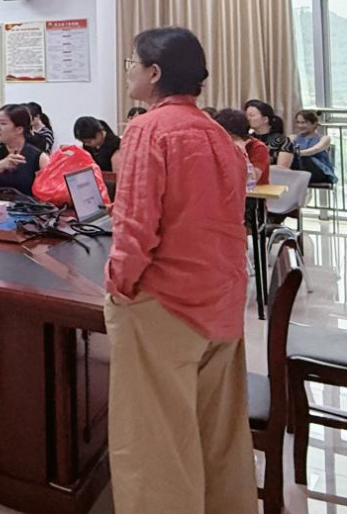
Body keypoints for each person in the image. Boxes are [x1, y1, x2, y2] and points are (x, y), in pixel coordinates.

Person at [106, 27, 257, 514]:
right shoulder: (217, 133)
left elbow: (135, 226)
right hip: (222, 300)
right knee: (218, 434)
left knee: (156, 444)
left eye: (132, 62)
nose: (127, 71)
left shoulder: (149, 129)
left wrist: (119, 287)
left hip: (165, 302)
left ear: (154, 73)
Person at [0, 104, 49, 195]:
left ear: (19, 129)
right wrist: (1, 165)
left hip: (26, 203)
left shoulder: (39, 157)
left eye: (3, 123)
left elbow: (51, 188)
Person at [215, 108, 270, 185]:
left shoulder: (258, 147)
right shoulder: (217, 144)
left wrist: (243, 153)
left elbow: (252, 180)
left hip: (255, 191)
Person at [244, 99, 296, 169]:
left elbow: (282, 168)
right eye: (246, 115)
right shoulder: (246, 139)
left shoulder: (283, 141)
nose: (248, 118)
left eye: (251, 115)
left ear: (265, 119)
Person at [295, 109, 337, 184]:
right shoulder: (293, 137)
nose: (300, 125)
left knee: (304, 158)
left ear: (314, 124)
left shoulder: (324, 138)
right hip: (300, 171)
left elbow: (314, 150)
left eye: (303, 122)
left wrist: (294, 153)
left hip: (320, 171)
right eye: (298, 122)